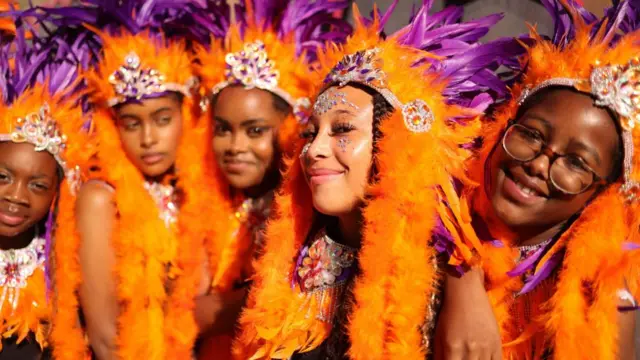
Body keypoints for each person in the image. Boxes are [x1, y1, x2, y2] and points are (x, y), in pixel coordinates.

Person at [235, 2, 515, 359]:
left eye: (343, 129)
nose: (314, 149)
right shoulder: (291, 253)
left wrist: (464, 278)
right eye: (311, 132)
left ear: (395, 143)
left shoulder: (441, 280)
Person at [456, 0, 640, 358]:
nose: (540, 165)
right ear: (502, 127)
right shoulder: (432, 235)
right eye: (533, 135)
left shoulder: (605, 294)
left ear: (604, 192)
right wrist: (460, 272)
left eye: (576, 162)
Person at [39, 1, 217, 358]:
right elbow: (106, 339)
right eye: (132, 123)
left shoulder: (192, 191)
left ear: (186, 115)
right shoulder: (100, 198)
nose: (148, 138)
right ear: (114, 127)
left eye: (162, 119)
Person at [191, 1, 351, 357]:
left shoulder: (314, 204)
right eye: (222, 129)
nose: (235, 146)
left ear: (291, 129)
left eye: (255, 130)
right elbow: (186, 316)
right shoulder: (208, 196)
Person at [0, 11, 89, 359]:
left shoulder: (65, 263)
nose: (16, 197)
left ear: (57, 193)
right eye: (2, 178)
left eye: (37, 186)